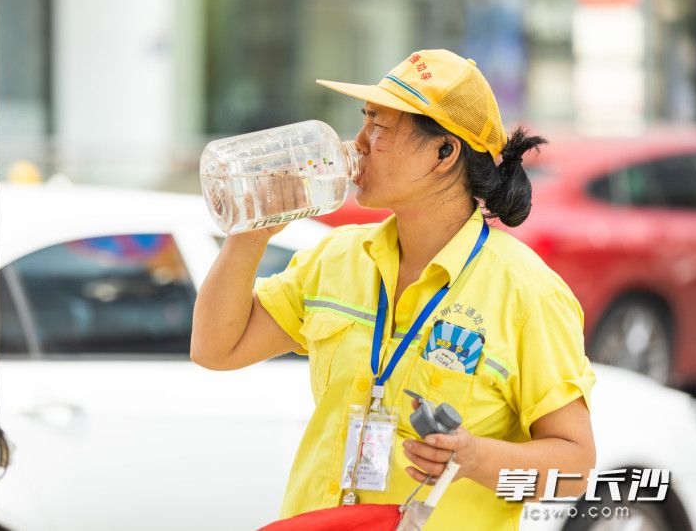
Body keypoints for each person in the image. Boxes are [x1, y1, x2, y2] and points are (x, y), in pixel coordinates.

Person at [191, 49, 596, 530]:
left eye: (378, 128)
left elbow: (574, 473)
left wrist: (475, 458)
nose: (357, 144)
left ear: (444, 153)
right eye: (364, 122)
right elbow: (216, 348)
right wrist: (251, 233)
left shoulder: (527, 294)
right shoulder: (337, 258)